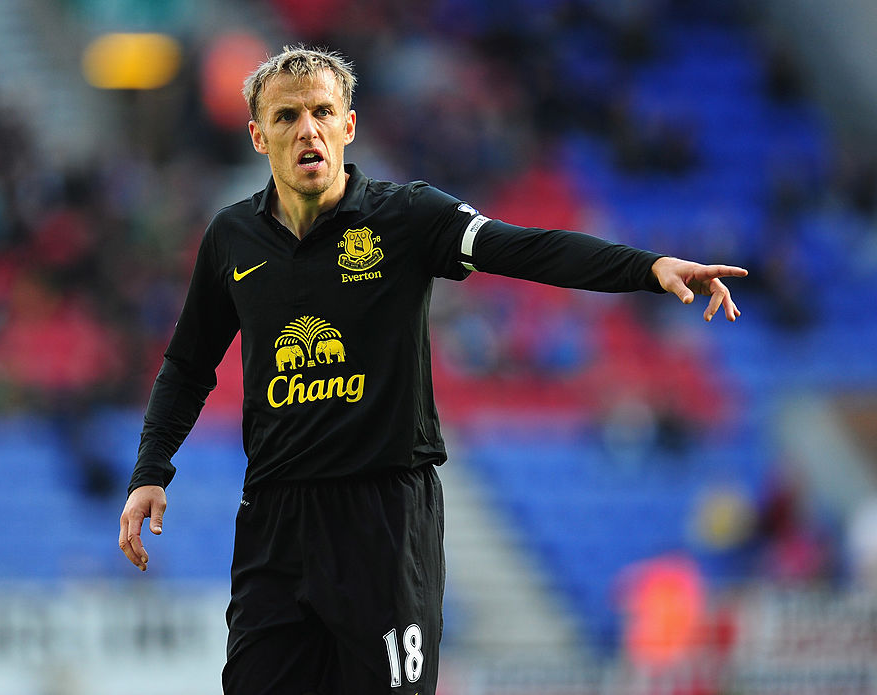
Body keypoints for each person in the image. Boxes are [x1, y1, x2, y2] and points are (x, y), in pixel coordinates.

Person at [118, 45, 747, 695]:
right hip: (275, 520)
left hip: (385, 518)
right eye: (286, 116)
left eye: (322, 112)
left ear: (348, 126)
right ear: (258, 135)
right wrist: (150, 470)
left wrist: (647, 267)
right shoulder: (232, 238)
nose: (308, 129)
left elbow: (522, 248)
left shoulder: (407, 216)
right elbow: (187, 364)